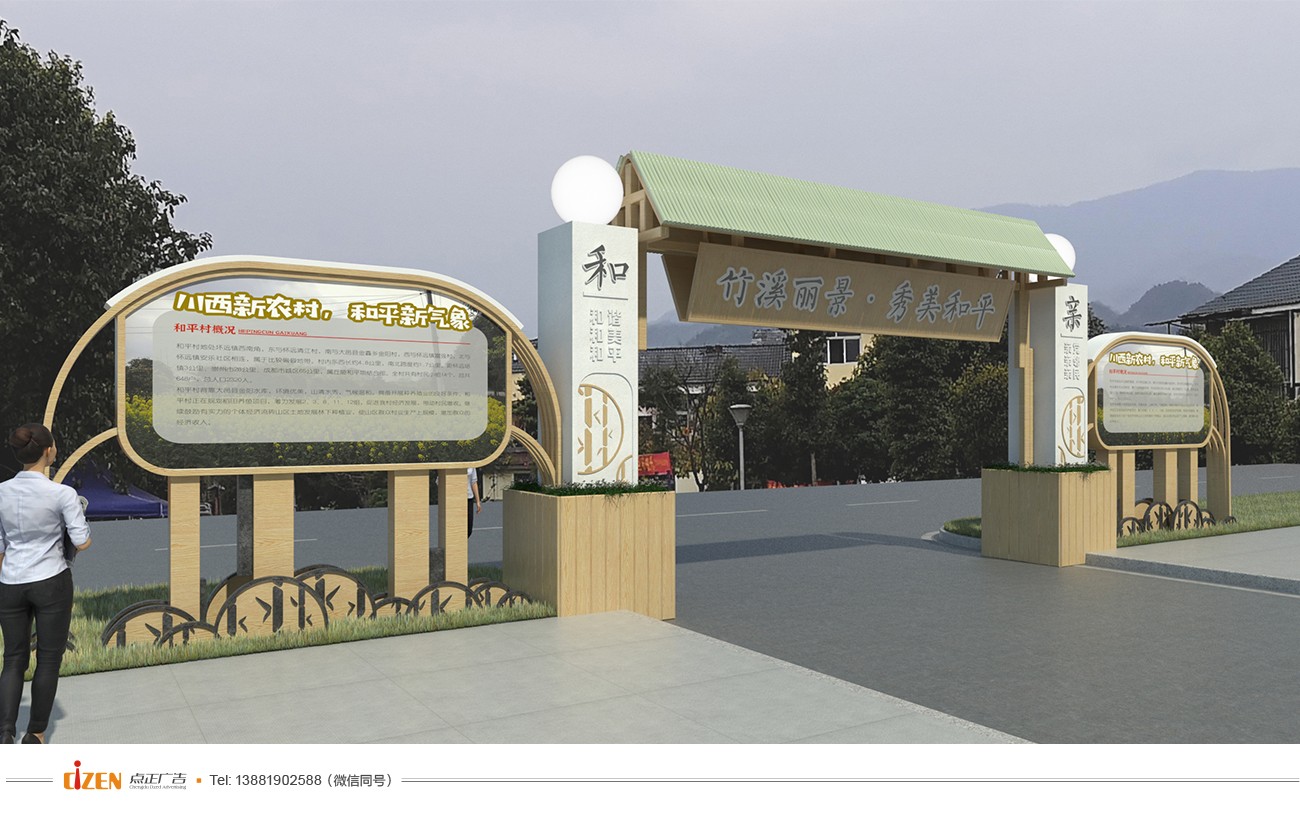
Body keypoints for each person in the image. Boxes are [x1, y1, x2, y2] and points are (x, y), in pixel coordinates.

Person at [0, 424, 90, 744]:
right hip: (51, 580)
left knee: (13, 658)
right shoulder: (62, 494)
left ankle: (5, 732)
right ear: (48, 451)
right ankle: (36, 733)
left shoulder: (1, 491)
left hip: (10, 581)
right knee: (49, 659)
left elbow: (0, 545)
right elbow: (82, 541)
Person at [466, 467, 482, 537]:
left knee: (469, 529)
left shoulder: (471, 465)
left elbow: (474, 482)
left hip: (468, 497)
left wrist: (478, 501)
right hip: (454, 498)